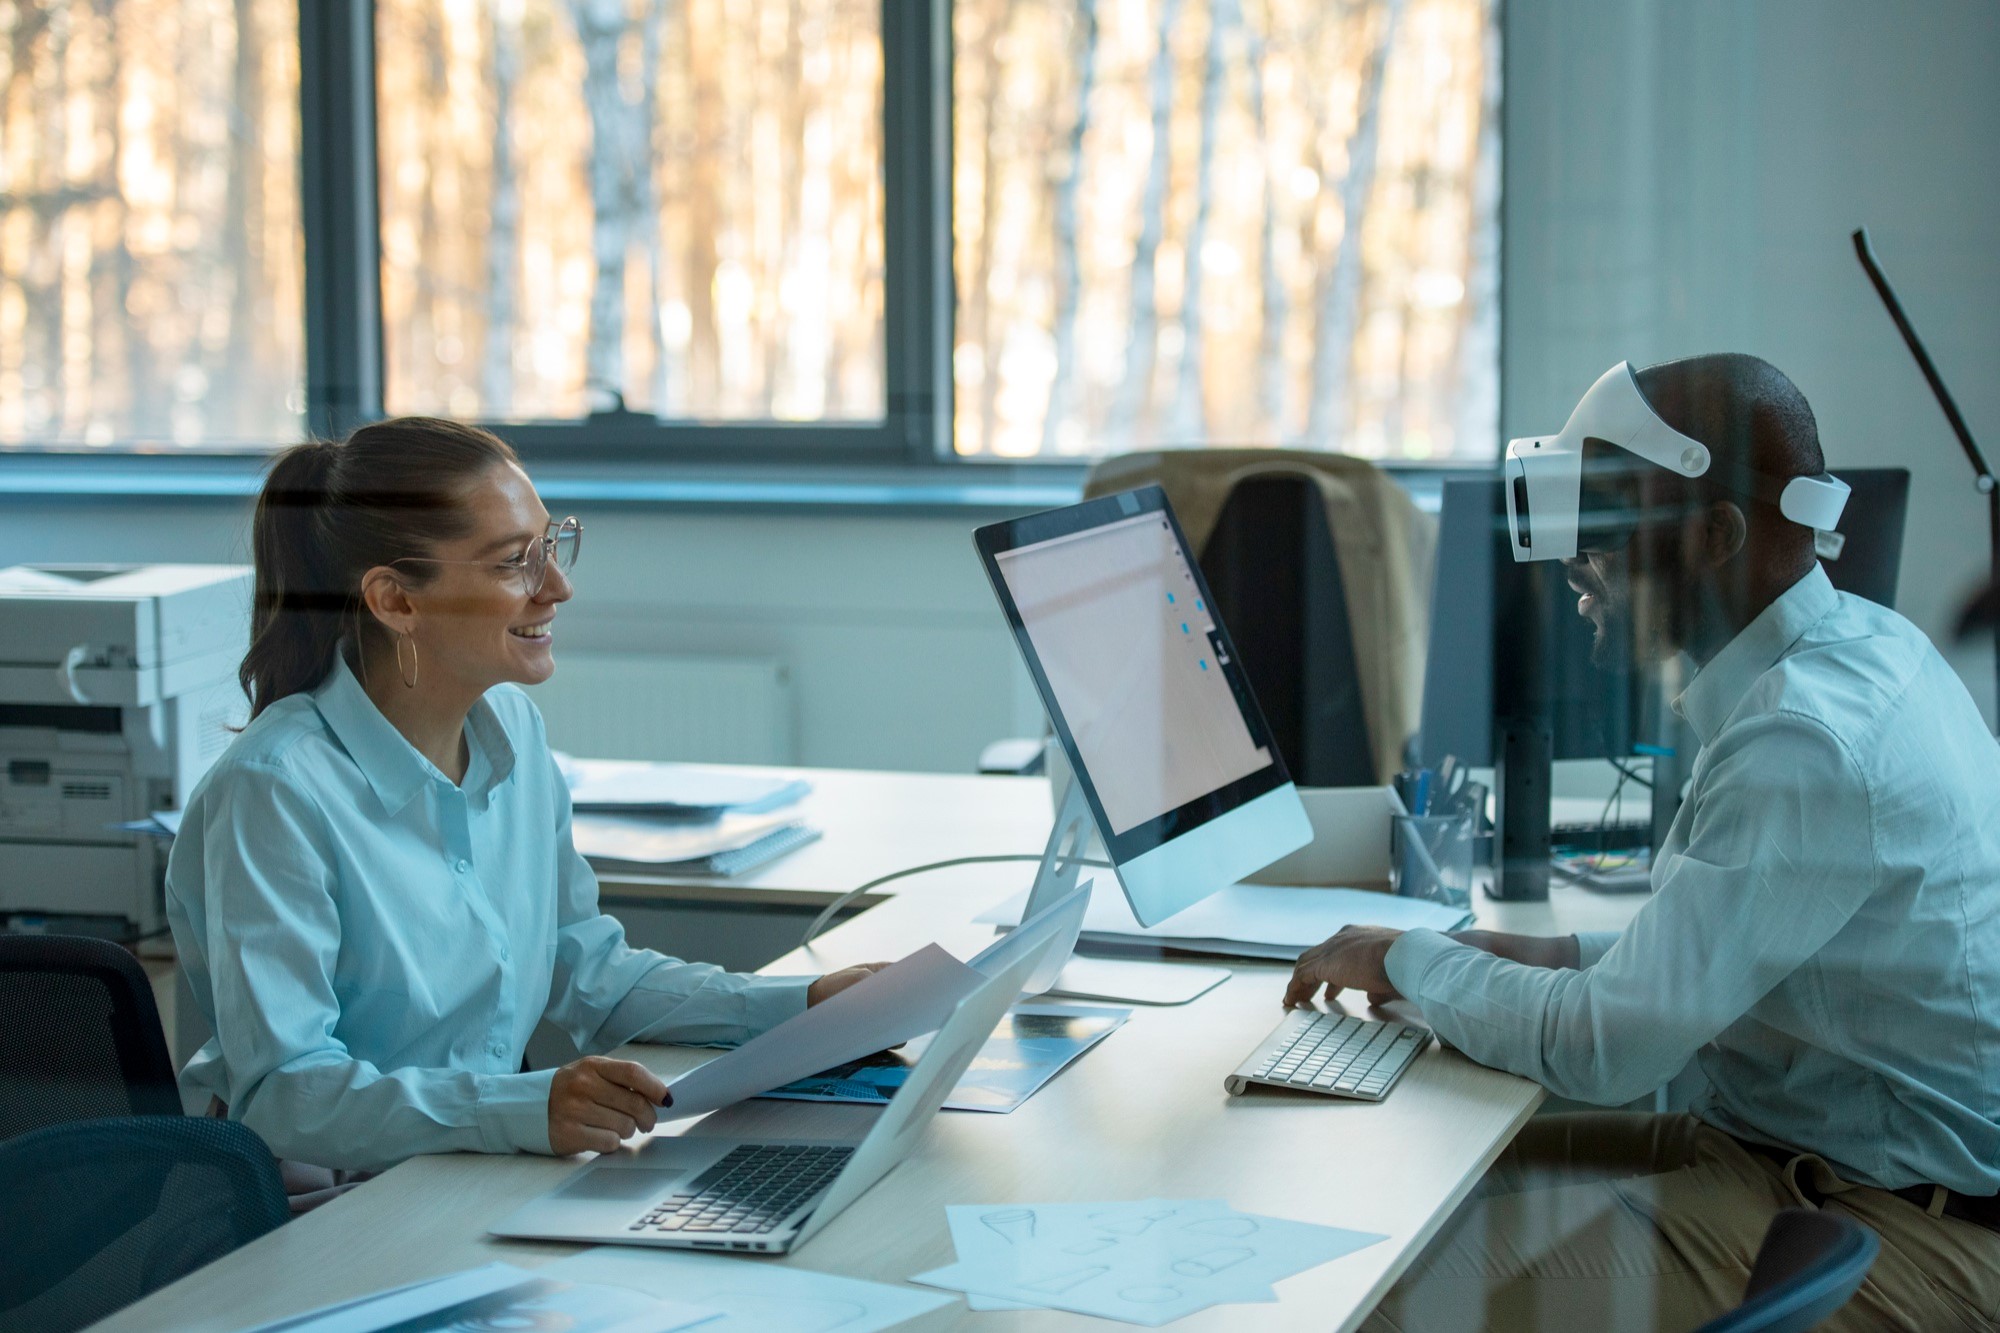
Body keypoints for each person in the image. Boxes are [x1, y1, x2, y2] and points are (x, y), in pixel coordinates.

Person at [1286, 355, 2000, 1330]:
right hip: (1792, 1164)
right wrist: (1556, 952)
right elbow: (1739, 951)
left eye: (1608, 519)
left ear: (1715, 536)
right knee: (1386, 1210)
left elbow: (1608, 1048)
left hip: (1888, 1223)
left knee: (1386, 1302)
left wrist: (1406, 960)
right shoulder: (1855, 654)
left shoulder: (1802, 740)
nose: (1579, 557)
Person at [167, 419, 882, 1204]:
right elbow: (285, 1093)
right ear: (395, 599)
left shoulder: (513, 733)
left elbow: (590, 973)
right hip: (318, 1209)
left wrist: (804, 1008)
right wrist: (526, 1106)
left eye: (551, 544)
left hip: (471, 1172)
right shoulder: (274, 791)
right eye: (514, 562)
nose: (557, 586)